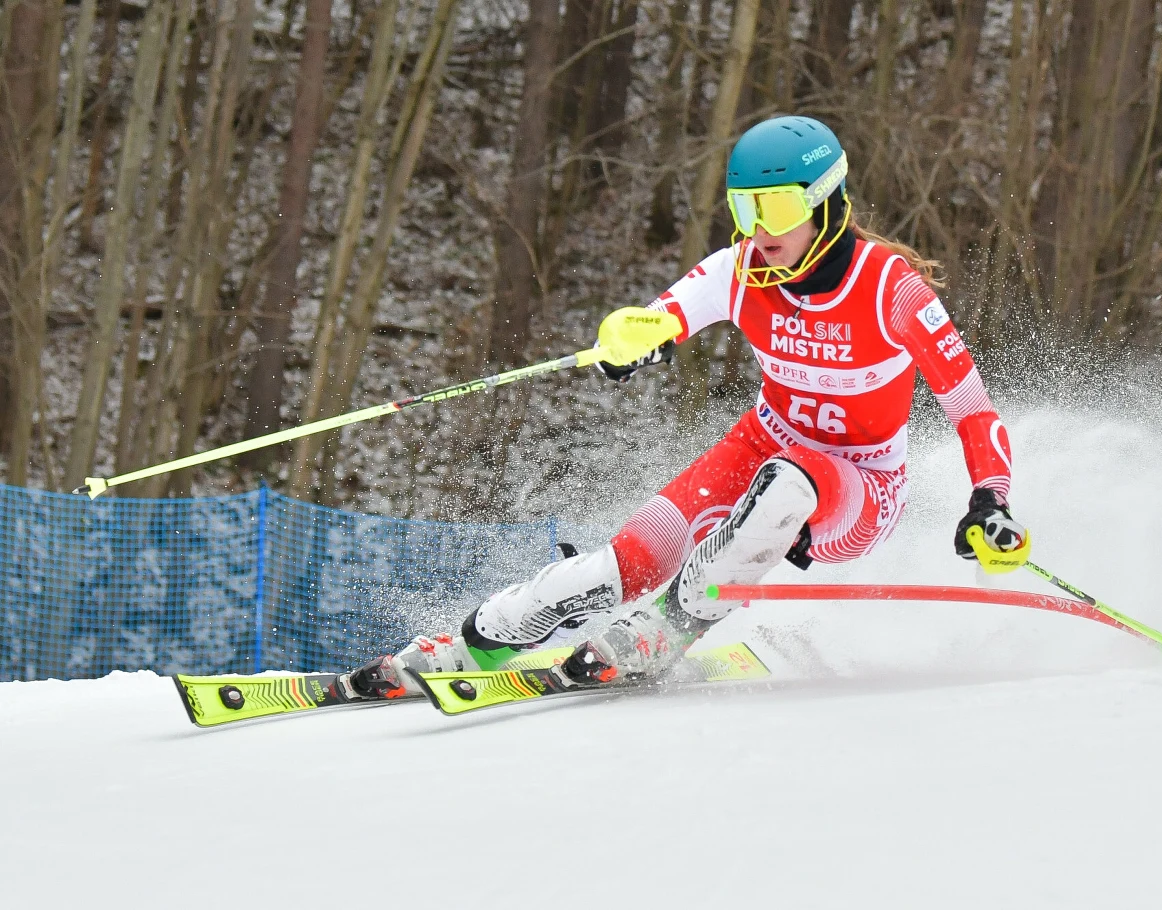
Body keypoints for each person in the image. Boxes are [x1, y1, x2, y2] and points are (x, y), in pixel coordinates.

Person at [338, 114, 1029, 700]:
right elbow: (659, 317)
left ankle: (669, 626)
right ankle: (473, 643)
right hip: (761, 448)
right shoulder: (741, 272)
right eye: (745, 210)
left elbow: (973, 409)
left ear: (827, 203)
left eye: (778, 209)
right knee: (624, 562)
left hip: (859, 490)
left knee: (790, 484)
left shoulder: (891, 292)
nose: (760, 230)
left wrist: (989, 499)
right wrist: (630, 340)